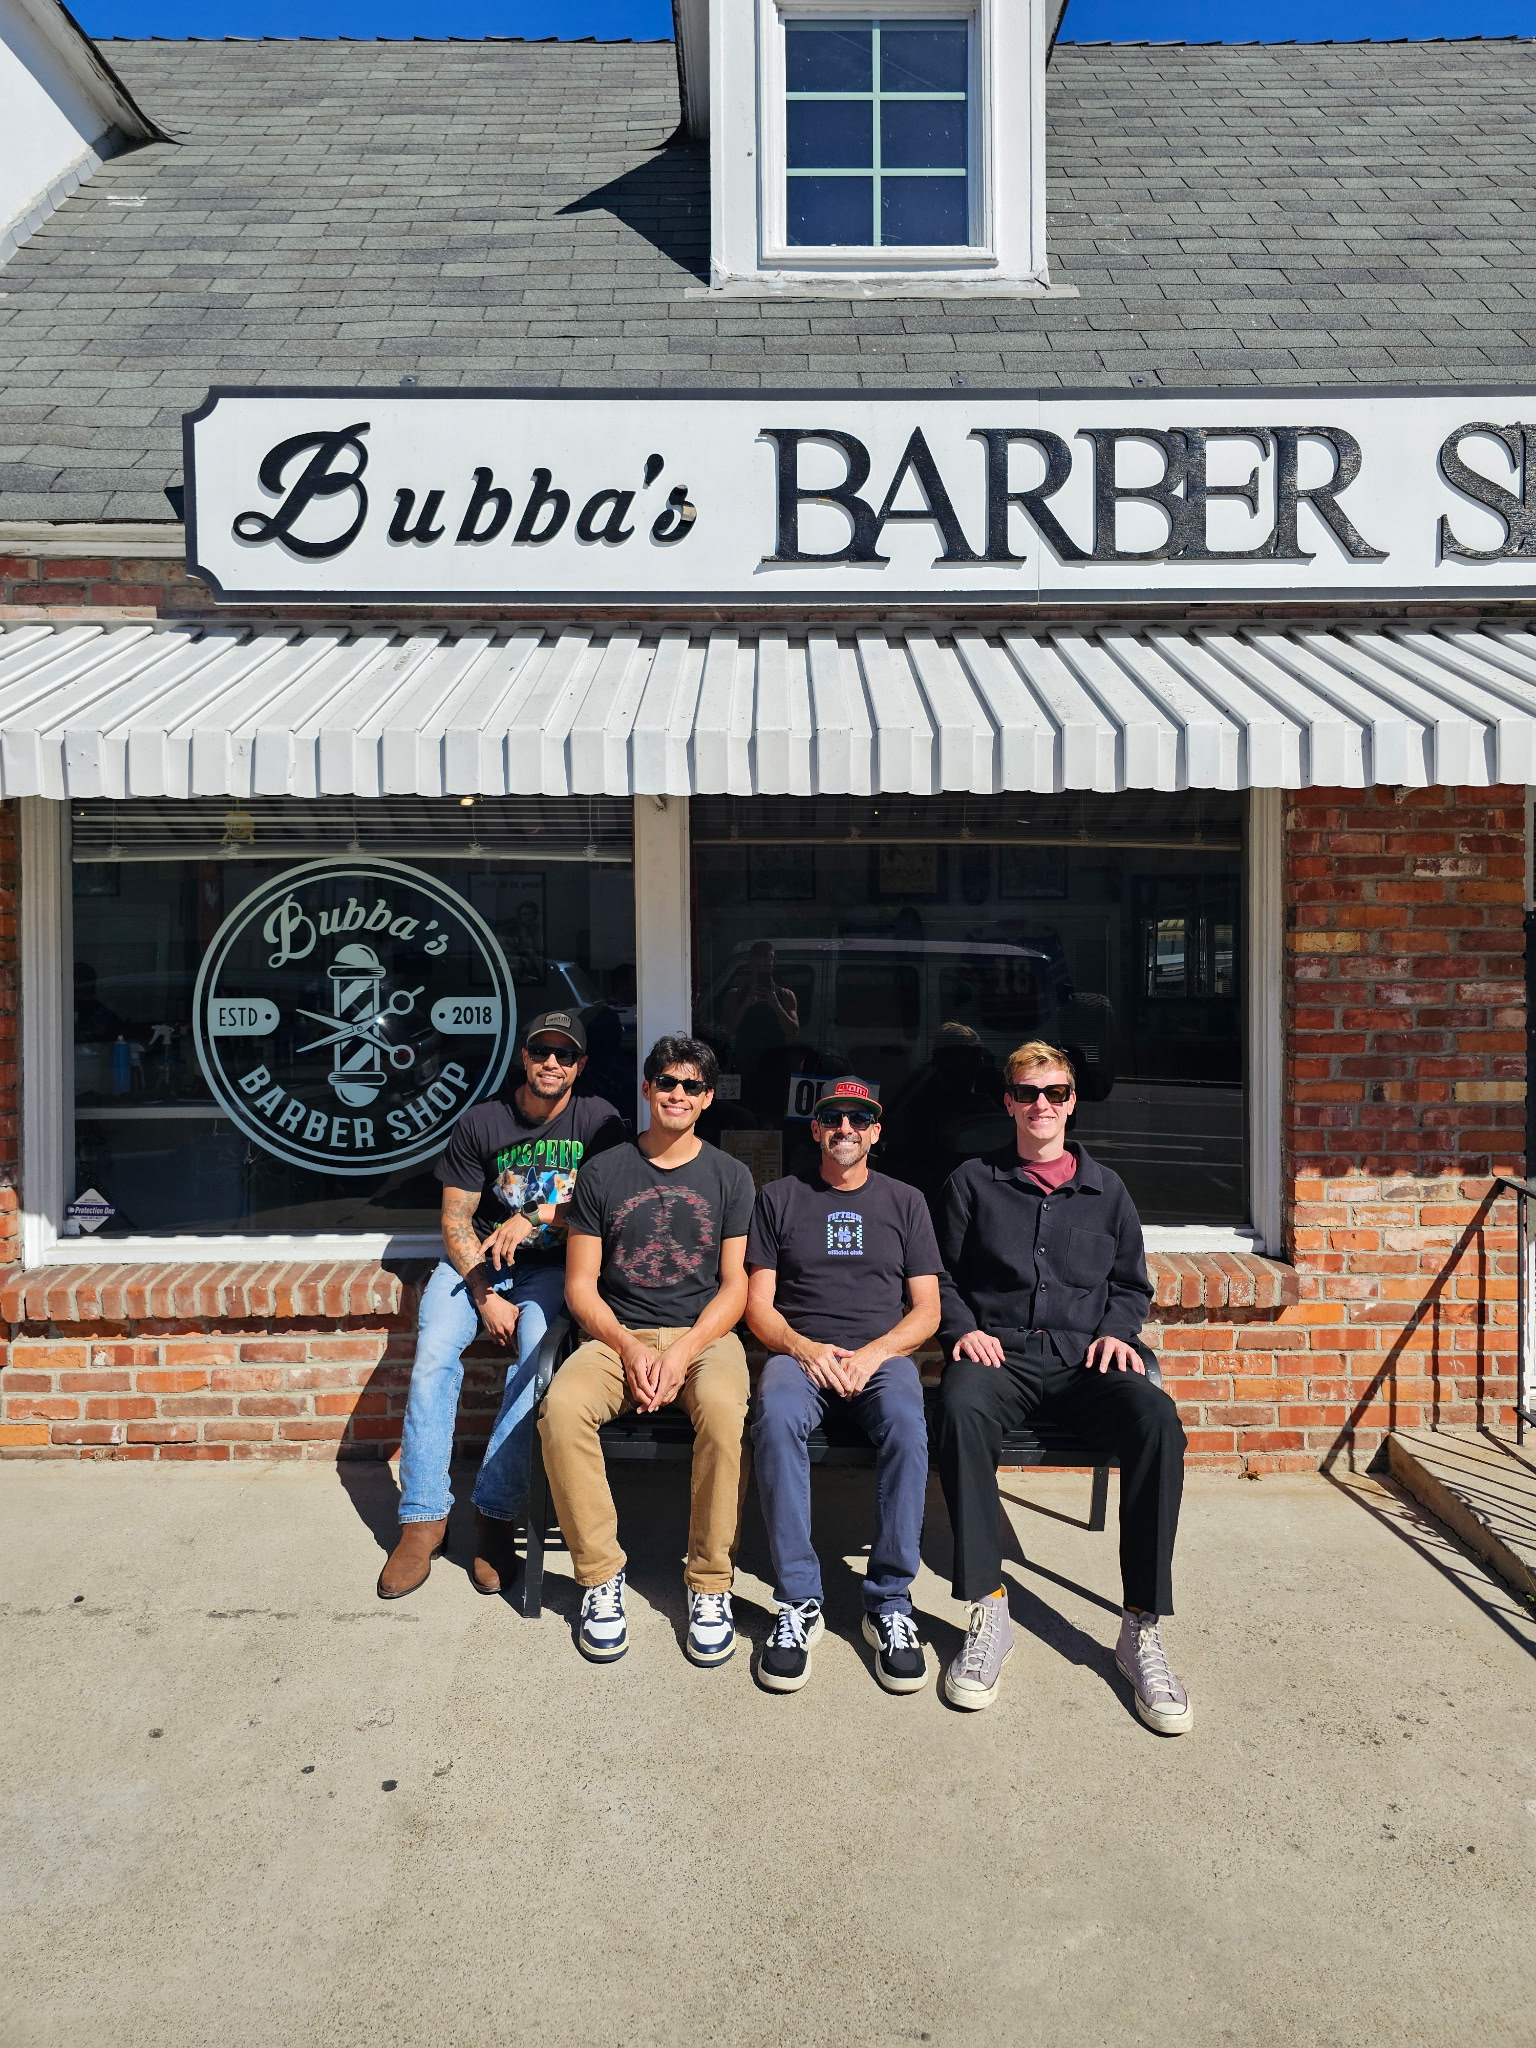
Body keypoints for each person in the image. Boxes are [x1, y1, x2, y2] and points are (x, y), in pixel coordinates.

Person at [933, 1039, 1192, 1733]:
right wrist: (961, 1329)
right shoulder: (972, 1182)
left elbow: (1131, 1284)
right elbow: (940, 1276)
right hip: (1001, 1356)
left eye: (1054, 1093)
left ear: (1073, 1102)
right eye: (1027, 1093)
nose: (1040, 1105)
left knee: (1157, 1422)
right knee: (958, 1407)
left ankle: (1140, 1626)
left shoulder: (1108, 1191)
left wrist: (1118, 1331)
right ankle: (988, 1607)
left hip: (1087, 1361)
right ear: (1008, 1102)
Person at [378, 1010, 623, 1601]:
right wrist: (483, 1292)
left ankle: (495, 1514)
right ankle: (422, 1519)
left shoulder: (600, 1122)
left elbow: (614, 1204)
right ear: (524, 1057)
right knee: (434, 1355)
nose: (552, 1063)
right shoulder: (482, 1120)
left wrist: (534, 1215)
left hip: (551, 1269)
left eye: (565, 1054)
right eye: (542, 1051)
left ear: (580, 1065)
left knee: (535, 1364)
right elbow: (455, 1218)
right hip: (477, 1267)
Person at [538, 1035, 756, 1667]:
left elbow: (736, 1285)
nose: (678, 1094)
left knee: (724, 1412)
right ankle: (600, 1577)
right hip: (617, 1334)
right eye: (667, 1082)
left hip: (703, 1336)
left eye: (692, 1086)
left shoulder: (730, 1176)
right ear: (647, 1088)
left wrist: (684, 1350)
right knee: (562, 1410)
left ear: (707, 1098)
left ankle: (710, 1583)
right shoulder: (604, 1173)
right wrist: (629, 1347)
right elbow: (581, 1287)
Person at [746, 1077, 943, 1695]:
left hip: (879, 1357)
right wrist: (803, 1348)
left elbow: (928, 1309)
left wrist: (876, 1352)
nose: (846, 1129)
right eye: (833, 1118)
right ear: (816, 1129)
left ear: (875, 1132)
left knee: (908, 1425)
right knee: (776, 1415)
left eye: (859, 1119)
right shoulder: (779, 1198)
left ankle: (889, 1602)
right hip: (801, 1354)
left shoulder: (906, 1202)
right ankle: (798, 1600)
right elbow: (758, 1306)